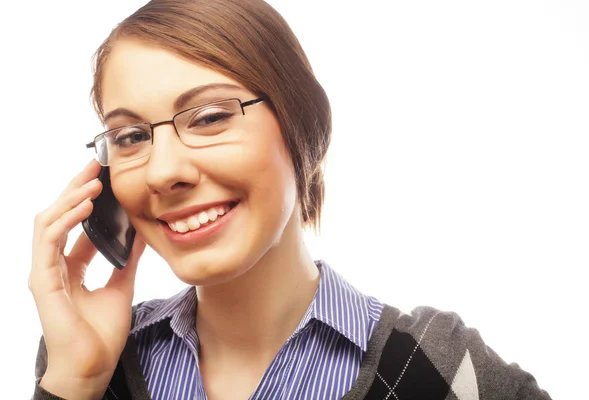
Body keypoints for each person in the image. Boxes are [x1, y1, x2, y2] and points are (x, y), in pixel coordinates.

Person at [29, 0, 552, 399]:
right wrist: (78, 380)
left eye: (210, 117)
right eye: (130, 137)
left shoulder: (437, 367)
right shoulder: (92, 357)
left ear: (302, 128)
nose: (163, 172)